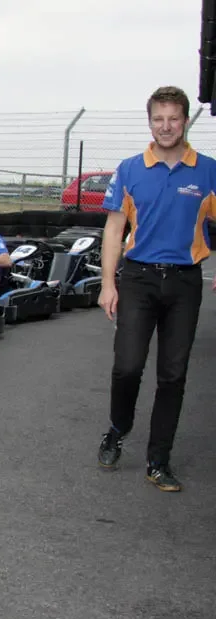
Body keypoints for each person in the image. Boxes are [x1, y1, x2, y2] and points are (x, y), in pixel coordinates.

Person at [95, 85, 216, 492]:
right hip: (138, 279)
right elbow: (114, 230)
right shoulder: (129, 169)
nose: (166, 126)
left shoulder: (208, 170)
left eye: (174, 119)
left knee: (173, 375)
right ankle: (117, 428)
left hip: (185, 282)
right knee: (127, 366)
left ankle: (158, 460)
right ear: (150, 122)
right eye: (158, 119)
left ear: (185, 121)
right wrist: (107, 283)